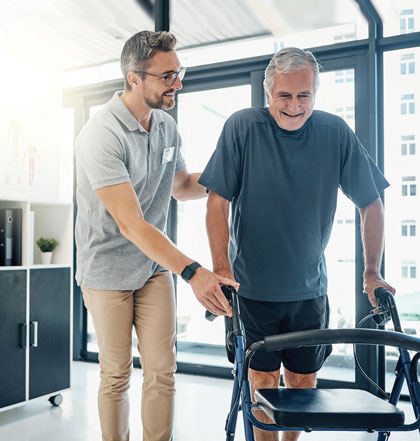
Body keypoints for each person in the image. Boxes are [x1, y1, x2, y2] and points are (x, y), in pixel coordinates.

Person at [199, 47, 395, 441]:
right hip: (251, 290)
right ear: (268, 93)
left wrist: (372, 272)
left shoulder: (334, 132)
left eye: (303, 95)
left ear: (315, 94)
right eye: (284, 95)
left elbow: (371, 201)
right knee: (262, 380)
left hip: (309, 290)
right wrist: (220, 267)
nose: (294, 105)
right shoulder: (242, 127)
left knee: (303, 382)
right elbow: (217, 200)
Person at [75, 30, 236, 441]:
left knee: (163, 370)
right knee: (116, 374)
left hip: (152, 267)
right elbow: (130, 224)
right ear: (134, 78)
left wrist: (231, 175)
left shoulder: (165, 126)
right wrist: (194, 271)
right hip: (107, 271)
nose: (177, 84)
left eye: (178, 73)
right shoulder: (101, 135)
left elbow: (181, 186)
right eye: (167, 76)